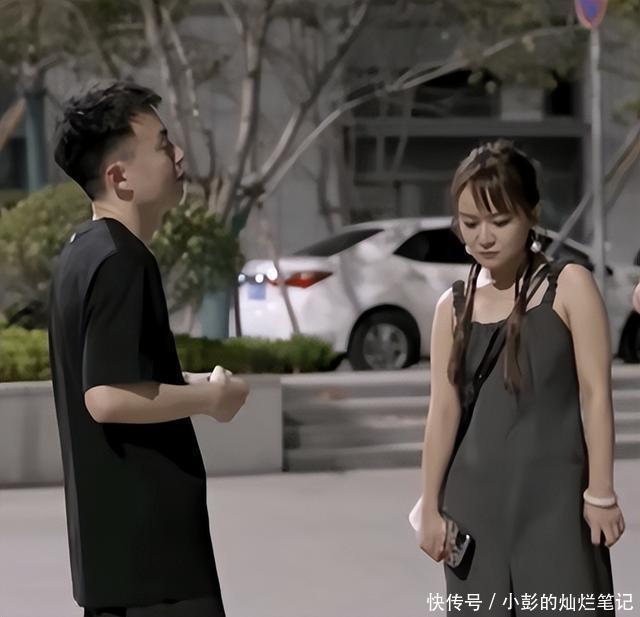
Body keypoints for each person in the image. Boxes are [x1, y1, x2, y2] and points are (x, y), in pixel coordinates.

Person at [48, 81, 249, 617]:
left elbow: (117, 376)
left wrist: (196, 385)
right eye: (163, 145)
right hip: (156, 567)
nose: (178, 155)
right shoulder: (123, 261)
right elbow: (106, 397)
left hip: (115, 565)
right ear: (120, 177)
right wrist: (210, 400)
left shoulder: (82, 253)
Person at [418, 140, 625, 615]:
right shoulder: (452, 306)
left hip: (557, 506)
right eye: (470, 223)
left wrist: (601, 492)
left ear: (531, 214)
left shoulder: (569, 286)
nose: (483, 237)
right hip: (473, 511)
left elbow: (596, 394)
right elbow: (442, 410)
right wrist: (429, 505)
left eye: (499, 220)